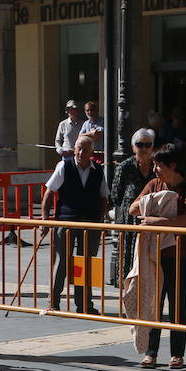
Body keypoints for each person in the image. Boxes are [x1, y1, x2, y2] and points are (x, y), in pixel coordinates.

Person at [129, 141, 186, 370]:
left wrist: (160, 221)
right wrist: (151, 202)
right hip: (153, 255)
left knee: (177, 304)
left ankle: (177, 354)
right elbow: (132, 208)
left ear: (172, 165)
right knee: (153, 303)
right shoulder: (153, 184)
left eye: (158, 165)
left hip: (179, 255)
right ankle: (151, 353)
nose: (154, 169)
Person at [40, 134, 108, 315]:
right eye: (78, 148)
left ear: (91, 153)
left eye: (85, 149)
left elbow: (104, 197)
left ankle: (84, 303)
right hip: (66, 221)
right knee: (62, 261)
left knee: (86, 263)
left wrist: (101, 220)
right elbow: (49, 192)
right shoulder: (64, 166)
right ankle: (53, 302)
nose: (80, 152)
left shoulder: (98, 170)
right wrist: (45, 218)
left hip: (91, 223)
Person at [109, 127, 157, 283]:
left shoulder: (157, 167)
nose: (144, 148)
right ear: (133, 147)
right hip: (130, 223)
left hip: (152, 223)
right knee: (128, 259)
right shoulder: (125, 167)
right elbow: (116, 196)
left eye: (147, 145)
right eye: (140, 144)